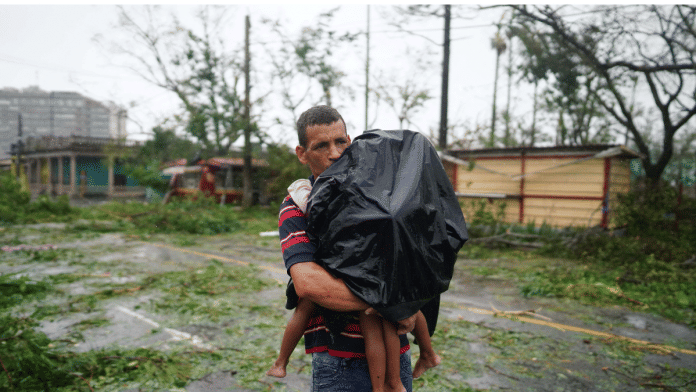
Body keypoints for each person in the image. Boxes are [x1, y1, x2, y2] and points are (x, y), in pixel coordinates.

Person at [271, 105, 437, 391]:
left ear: (351, 142)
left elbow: (410, 253)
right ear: (302, 154)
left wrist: (408, 301)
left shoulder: (378, 193)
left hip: (396, 352)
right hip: (339, 361)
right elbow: (309, 284)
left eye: (340, 142)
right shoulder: (297, 207)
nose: (335, 154)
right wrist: (391, 303)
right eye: (321, 146)